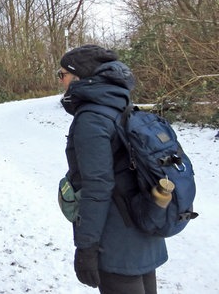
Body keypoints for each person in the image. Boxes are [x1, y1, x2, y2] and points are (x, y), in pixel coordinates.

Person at [58, 45, 167, 294]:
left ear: (78, 77)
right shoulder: (119, 103)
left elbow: (97, 187)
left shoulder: (92, 117)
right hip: (143, 223)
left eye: (61, 74)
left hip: (116, 239)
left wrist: (87, 247)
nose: (60, 80)